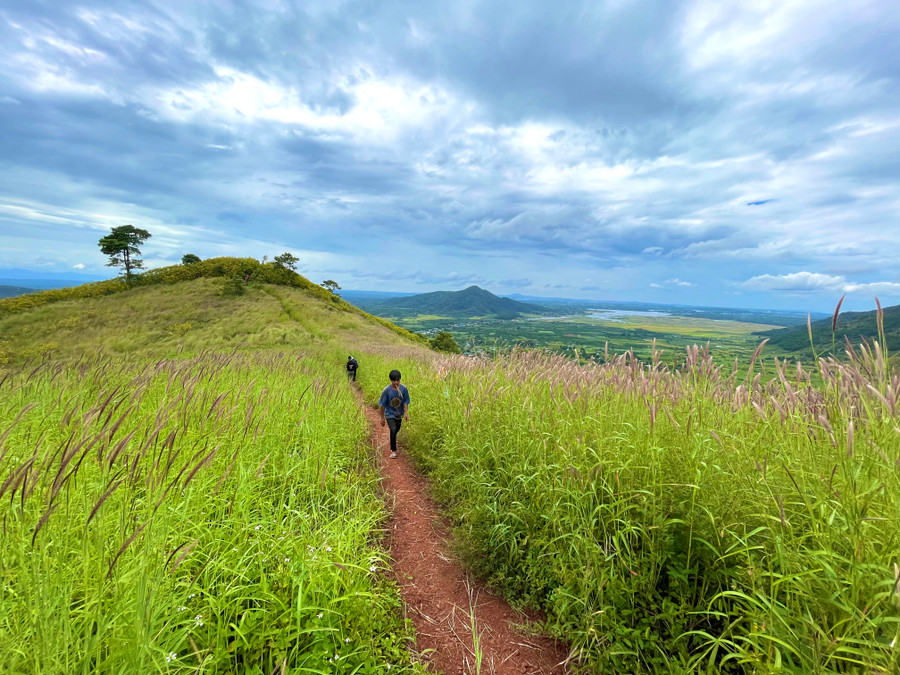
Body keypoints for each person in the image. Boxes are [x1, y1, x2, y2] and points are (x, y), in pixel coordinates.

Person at [379, 369, 410, 459]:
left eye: (398, 380)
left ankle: (393, 439)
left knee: (396, 430)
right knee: (393, 429)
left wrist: (406, 413)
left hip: (398, 414)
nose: (396, 382)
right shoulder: (386, 391)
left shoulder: (404, 389)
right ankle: (393, 450)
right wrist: (382, 418)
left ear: (400, 379)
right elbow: (382, 405)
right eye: (394, 380)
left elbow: (405, 402)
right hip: (390, 414)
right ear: (391, 380)